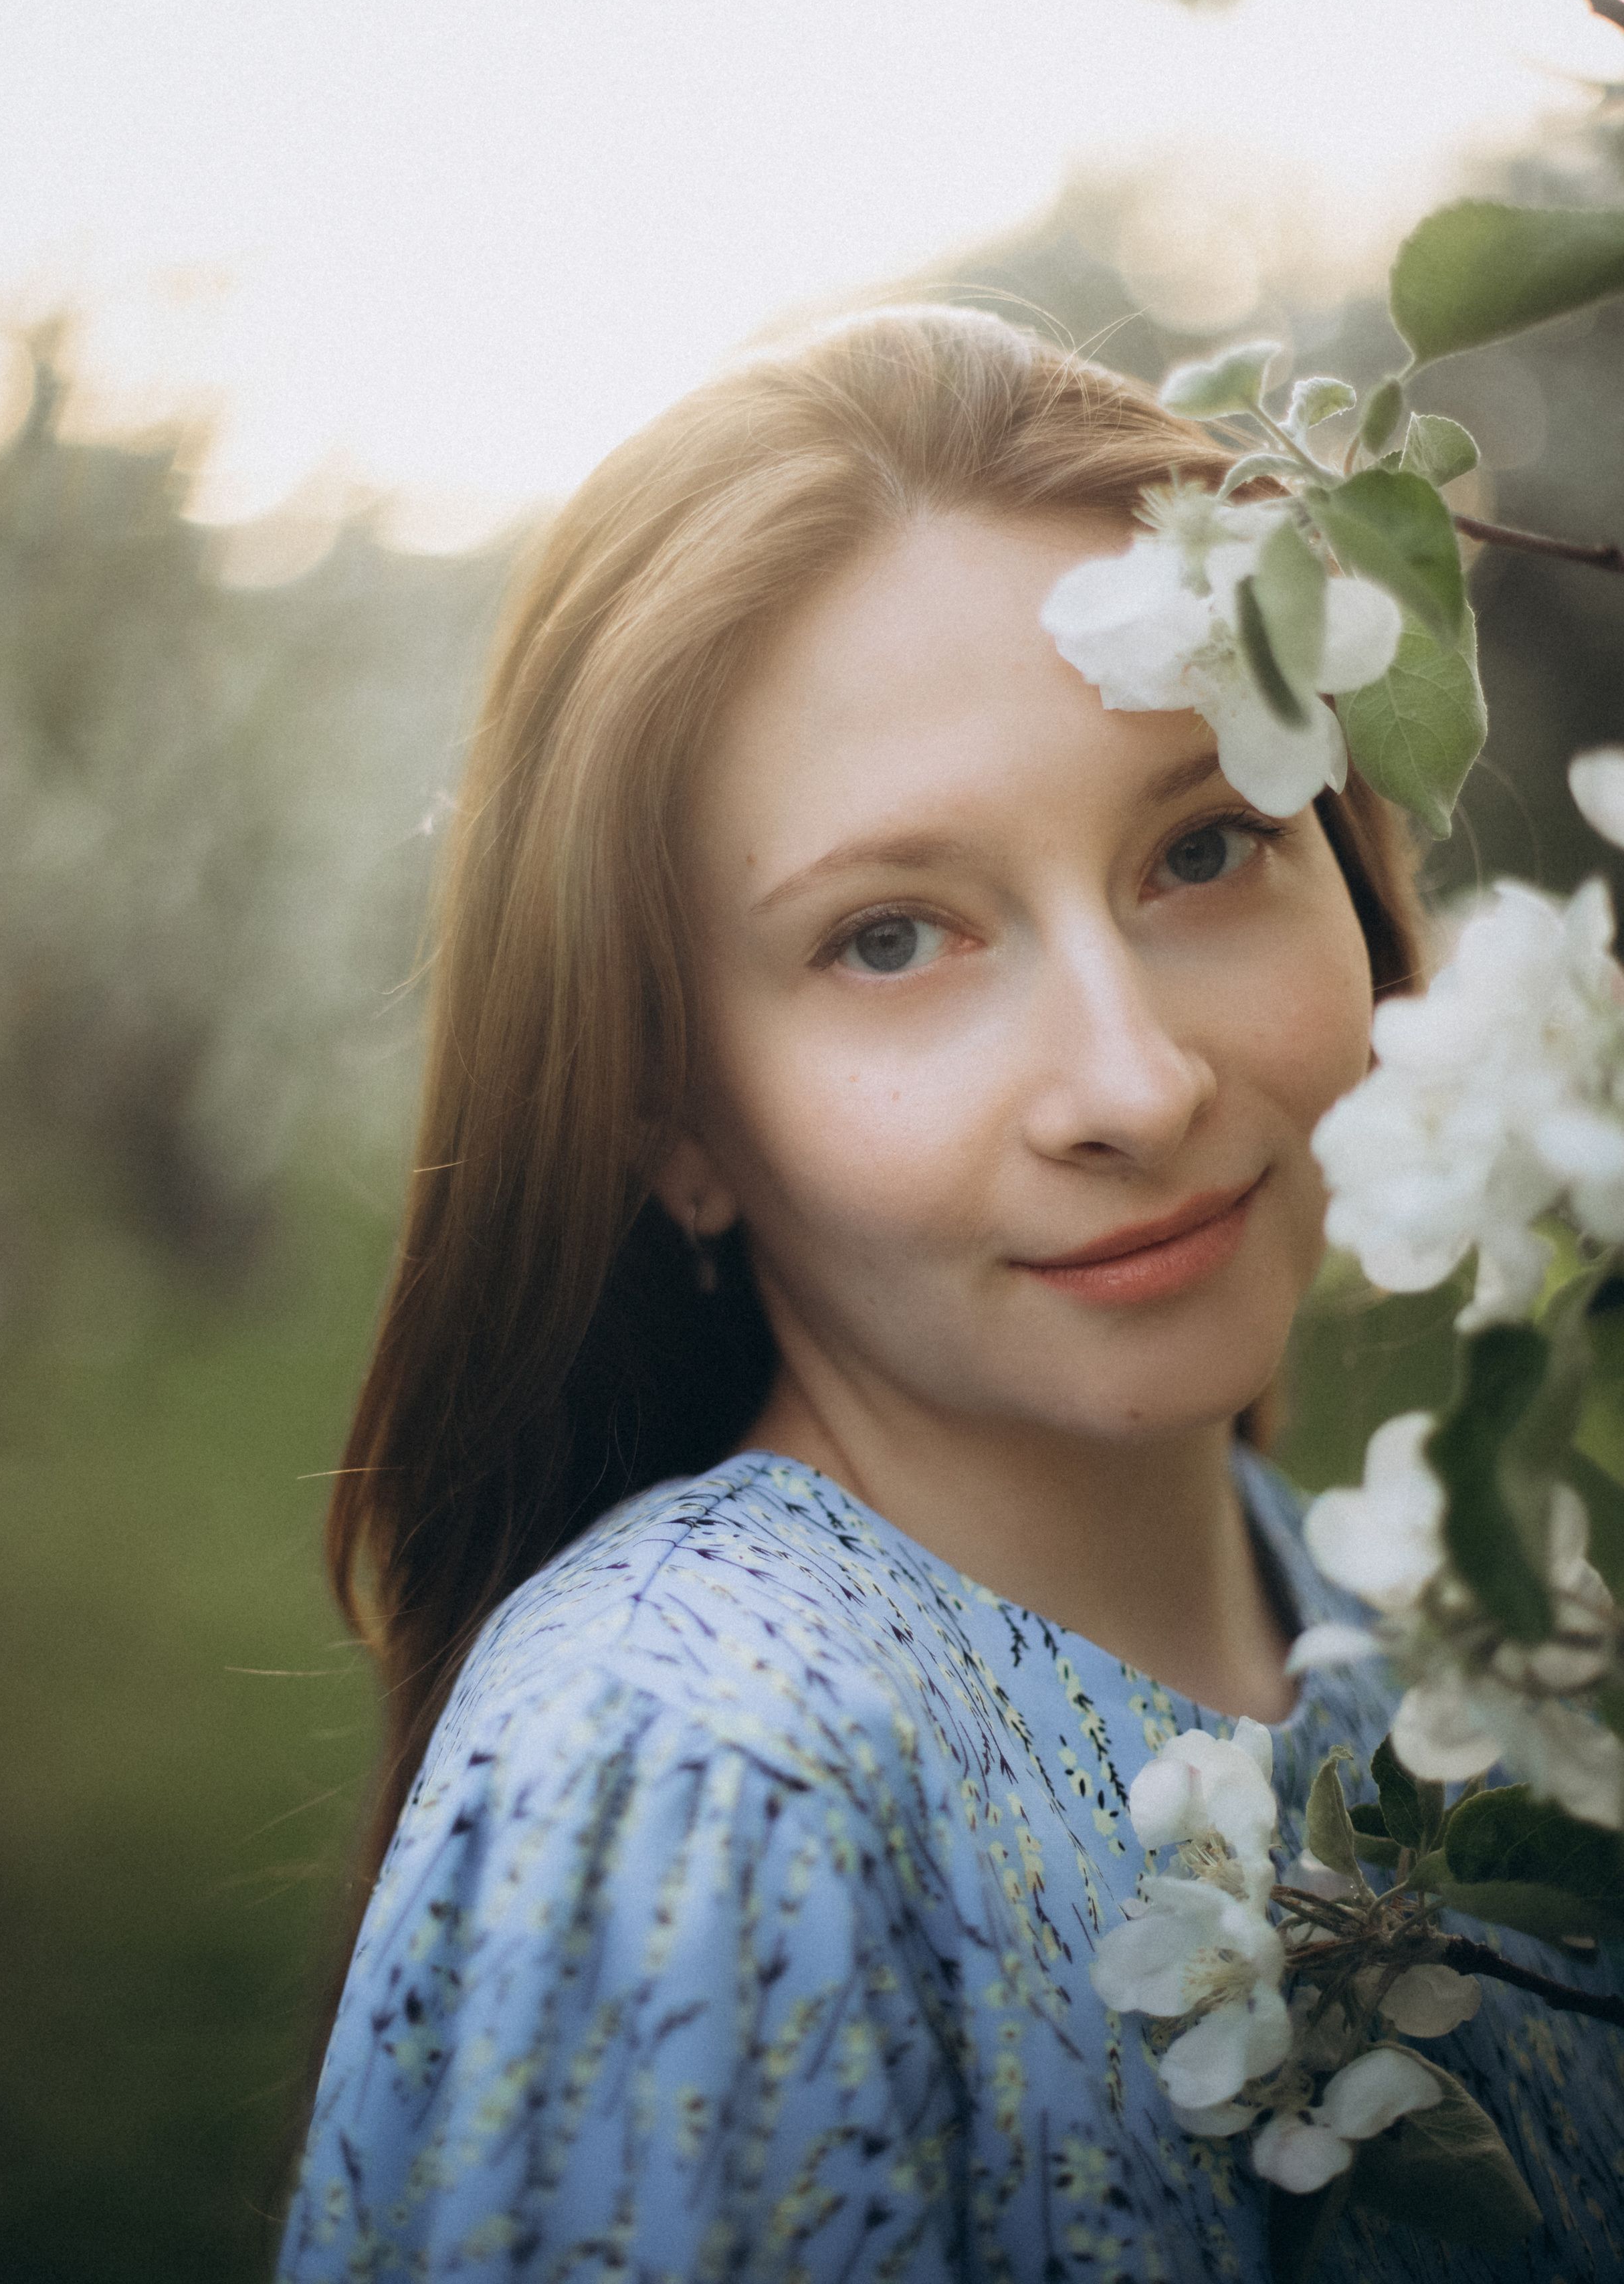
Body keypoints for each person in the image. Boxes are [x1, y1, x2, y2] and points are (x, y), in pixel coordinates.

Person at [278, 308, 1621, 2281]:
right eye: (890, 936)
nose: (1134, 1083)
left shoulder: (1436, 1666)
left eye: (1204, 844)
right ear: (673, 1110)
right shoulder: (711, 1785)